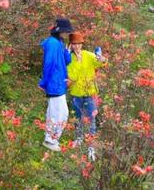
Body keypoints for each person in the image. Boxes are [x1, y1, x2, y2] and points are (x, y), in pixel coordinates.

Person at [66, 32, 106, 161]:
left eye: (78, 44)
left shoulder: (89, 55)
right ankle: (79, 137)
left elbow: (101, 63)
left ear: (82, 44)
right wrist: (75, 60)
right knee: (77, 117)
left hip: (90, 93)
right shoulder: (68, 58)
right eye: (74, 44)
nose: (76, 46)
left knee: (91, 119)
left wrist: (102, 59)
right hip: (76, 93)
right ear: (70, 45)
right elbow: (72, 76)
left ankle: (91, 146)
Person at [39, 18, 73, 152]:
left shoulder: (59, 42)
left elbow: (67, 61)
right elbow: (48, 64)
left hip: (59, 83)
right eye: (66, 31)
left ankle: (52, 138)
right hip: (54, 83)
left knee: (61, 113)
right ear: (60, 30)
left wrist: (67, 52)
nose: (67, 34)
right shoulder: (52, 43)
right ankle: (50, 140)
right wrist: (44, 82)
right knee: (56, 113)